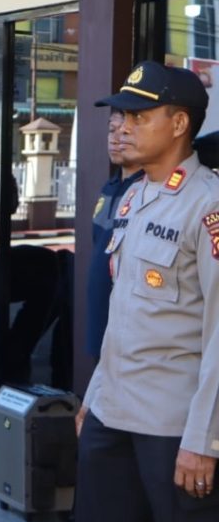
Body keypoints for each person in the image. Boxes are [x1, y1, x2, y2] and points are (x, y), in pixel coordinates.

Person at [76, 61, 219, 522]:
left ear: (178, 124)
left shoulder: (209, 204)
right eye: (122, 116)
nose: (124, 127)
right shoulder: (133, 195)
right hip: (111, 413)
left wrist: (205, 438)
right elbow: (123, 314)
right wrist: (95, 395)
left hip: (172, 427)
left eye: (139, 117)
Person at [85, 109, 144, 361]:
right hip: (101, 323)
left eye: (125, 131)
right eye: (112, 130)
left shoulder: (150, 190)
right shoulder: (109, 187)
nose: (116, 138)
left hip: (131, 334)